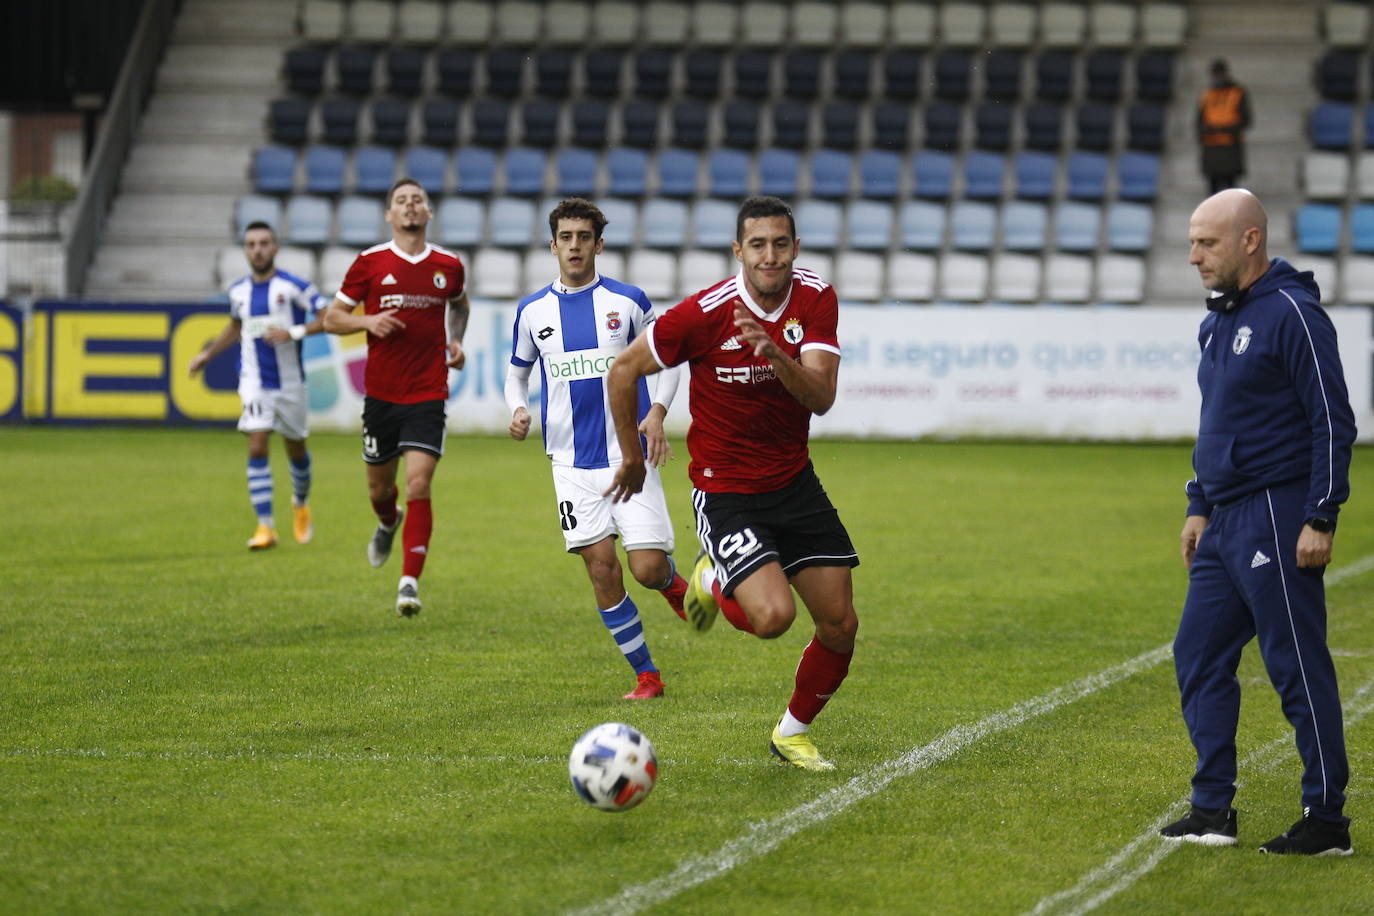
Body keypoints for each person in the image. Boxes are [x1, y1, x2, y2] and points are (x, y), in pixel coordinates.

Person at [605, 195, 859, 770]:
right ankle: (713, 575)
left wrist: (774, 354)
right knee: (772, 619)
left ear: (795, 247)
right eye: (758, 245)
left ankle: (791, 734)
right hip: (726, 491)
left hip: (794, 482)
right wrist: (629, 456)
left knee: (840, 624)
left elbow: (821, 398)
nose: (770, 256)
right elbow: (623, 371)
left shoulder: (815, 297)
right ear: (738, 251)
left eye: (781, 243)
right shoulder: (704, 313)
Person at [1161, 189, 1357, 855]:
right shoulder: (1217, 320)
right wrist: (1198, 503)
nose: (1193, 257)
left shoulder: (1294, 314)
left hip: (1278, 512)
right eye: (1192, 242)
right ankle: (1212, 809)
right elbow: (1217, 420)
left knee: (1295, 664)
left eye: (1206, 243)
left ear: (1249, 240)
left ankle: (1327, 819)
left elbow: (1333, 418)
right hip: (1224, 521)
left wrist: (1320, 515)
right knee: (1197, 653)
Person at [505, 198, 689, 700]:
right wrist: (517, 409)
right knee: (601, 569)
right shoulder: (532, 311)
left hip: (628, 454)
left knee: (647, 568)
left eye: (583, 237)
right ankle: (647, 676)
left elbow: (669, 360)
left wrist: (657, 413)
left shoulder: (628, 302)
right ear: (553, 245)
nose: (574, 246)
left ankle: (675, 587)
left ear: (598, 244)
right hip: (568, 462)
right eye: (565, 237)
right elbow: (517, 375)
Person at [322, 177, 469, 617]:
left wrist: (456, 341)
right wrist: (367, 323)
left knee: (419, 482)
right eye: (401, 201)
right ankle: (389, 520)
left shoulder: (448, 264)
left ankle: (409, 582)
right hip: (382, 397)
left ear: (428, 213)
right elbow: (331, 318)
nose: (409, 207)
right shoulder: (368, 263)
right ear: (390, 214)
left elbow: (460, 305)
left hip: (428, 392)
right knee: (379, 489)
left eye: (417, 201)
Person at [189, 220, 327, 550]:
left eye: (264, 243)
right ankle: (265, 527)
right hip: (254, 382)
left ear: (275, 248)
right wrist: (207, 355)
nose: (258, 249)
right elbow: (236, 326)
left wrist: (293, 332)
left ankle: (300, 502)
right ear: (246, 250)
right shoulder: (238, 291)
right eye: (251, 244)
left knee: (297, 452)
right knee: (257, 444)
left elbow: (328, 317)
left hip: (291, 384)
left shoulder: (294, 287)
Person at [1197, 59, 1252, 195]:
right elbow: (1198, 121)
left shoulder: (1237, 93)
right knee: (1212, 192)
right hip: (1211, 148)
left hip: (1230, 147)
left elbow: (1246, 119)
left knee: (1230, 190)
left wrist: (1225, 129)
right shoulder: (1207, 94)